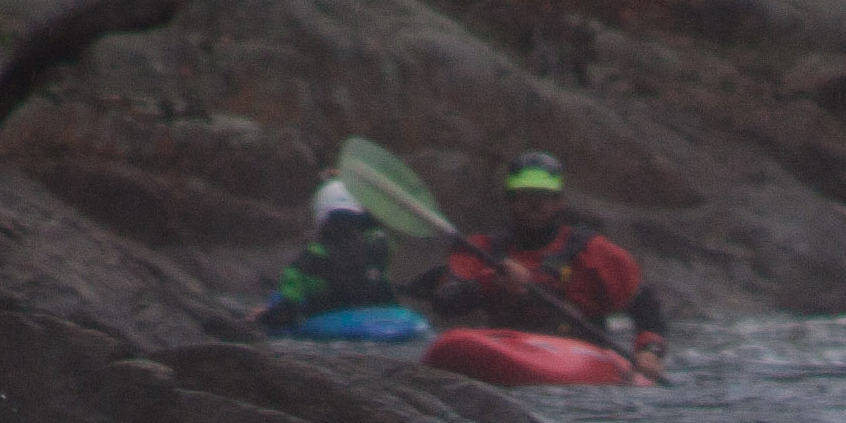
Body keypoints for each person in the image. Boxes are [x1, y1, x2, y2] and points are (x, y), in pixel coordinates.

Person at [418, 152, 670, 377]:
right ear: (510, 201)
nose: (535, 205)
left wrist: (650, 350)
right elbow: (445, 301)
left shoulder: (591, 251)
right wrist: (491, 282)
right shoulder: (483, 249)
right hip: (508, 347)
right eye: (526, 196)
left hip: (580, 354)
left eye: (544, 197)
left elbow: (644, 301)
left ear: (559, 202)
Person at [258, 177, 407, 335]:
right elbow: (377, 232)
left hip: (332, 324)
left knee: (279, 297)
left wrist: (261, 318)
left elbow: (287, 311)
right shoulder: (380, 247)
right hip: (390, 320)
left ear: (321, 216)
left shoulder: (311, 257)